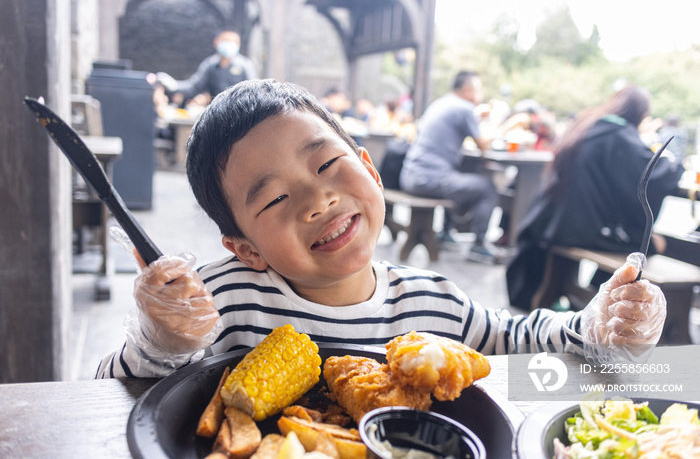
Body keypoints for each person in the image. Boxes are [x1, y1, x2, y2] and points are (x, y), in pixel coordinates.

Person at [94, 79, 666, 379]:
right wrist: (163, 341)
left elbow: (518, 345)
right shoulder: (222, 304)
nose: (318, 199)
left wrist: (599, 327)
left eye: (326, 165)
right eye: (274, 198)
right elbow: (109, 391)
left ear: (369, 167)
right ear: (244, 247)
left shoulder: (434, 305)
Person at [506, 85, 685, 310]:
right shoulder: (619, 135)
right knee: (651, 243)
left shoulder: (588, 124)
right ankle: (602, 299)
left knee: (641, 240)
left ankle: (592, 295)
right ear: (639, 114)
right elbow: (653, 173)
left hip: (552, 222)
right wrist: (673, 163)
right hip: (577, 229)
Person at [399, 71, 499, 262]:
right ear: (468, 90)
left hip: (410, 176)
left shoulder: (441, 103)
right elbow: (484, 144)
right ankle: (478, 246)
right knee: (487, 188)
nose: (480, 94)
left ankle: (446, 234)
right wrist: (505, 123)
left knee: (459, 176)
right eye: (478, 89)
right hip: (428, 179)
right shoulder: (465, 108)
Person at [156, 29, 257, 106]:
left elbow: (253, 92)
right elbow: (194, 87)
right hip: (217, 113)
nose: (229, 44)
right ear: (216, 42)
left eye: (233, 41)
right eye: (225, 40)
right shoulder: (210, 65)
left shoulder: (244, 65)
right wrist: (174, 85)